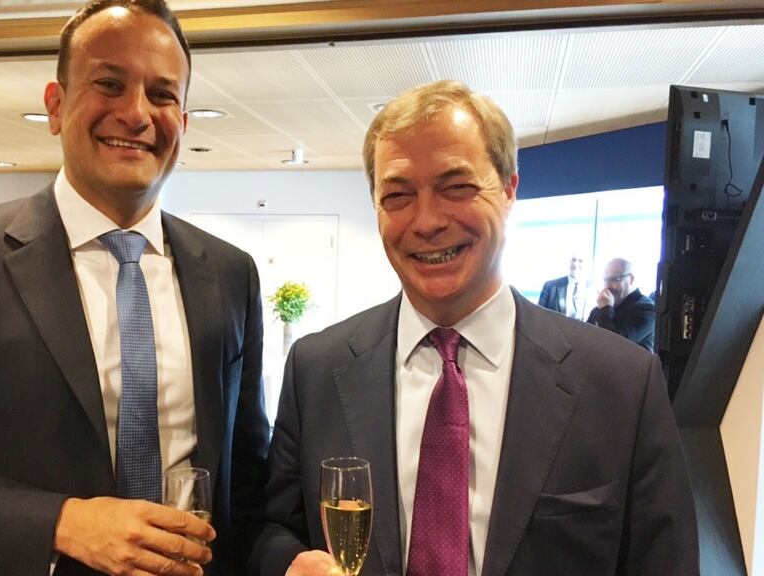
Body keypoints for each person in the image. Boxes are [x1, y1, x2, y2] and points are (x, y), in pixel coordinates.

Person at [0, 2, 270, 576]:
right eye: (109, 84)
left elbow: (248, 477)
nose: (136, 113)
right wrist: (62, 524)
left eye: (162, 94)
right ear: (56, 106)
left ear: (183, 122)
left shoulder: (230, 274)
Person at [249, 81, 697, 576]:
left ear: (509, 190)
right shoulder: (317, 369)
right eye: (397, 195)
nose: (426, 221)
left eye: (456, 187)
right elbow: (273, 529)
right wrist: (287, 563)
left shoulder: (621, 384)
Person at [587, 257, 656, 351]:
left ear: (631, 279)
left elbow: (614, 346)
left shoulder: (647, 310)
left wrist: (605, 309)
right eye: (605, 280)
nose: (607, 286)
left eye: (614, 279)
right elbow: (583, 340)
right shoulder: (600, 309)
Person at [537, 254, 587, 319]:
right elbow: (539, 314)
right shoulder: (550, 287)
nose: (575, 264)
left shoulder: (590, 291)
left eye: (580, 261)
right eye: (573, 260)